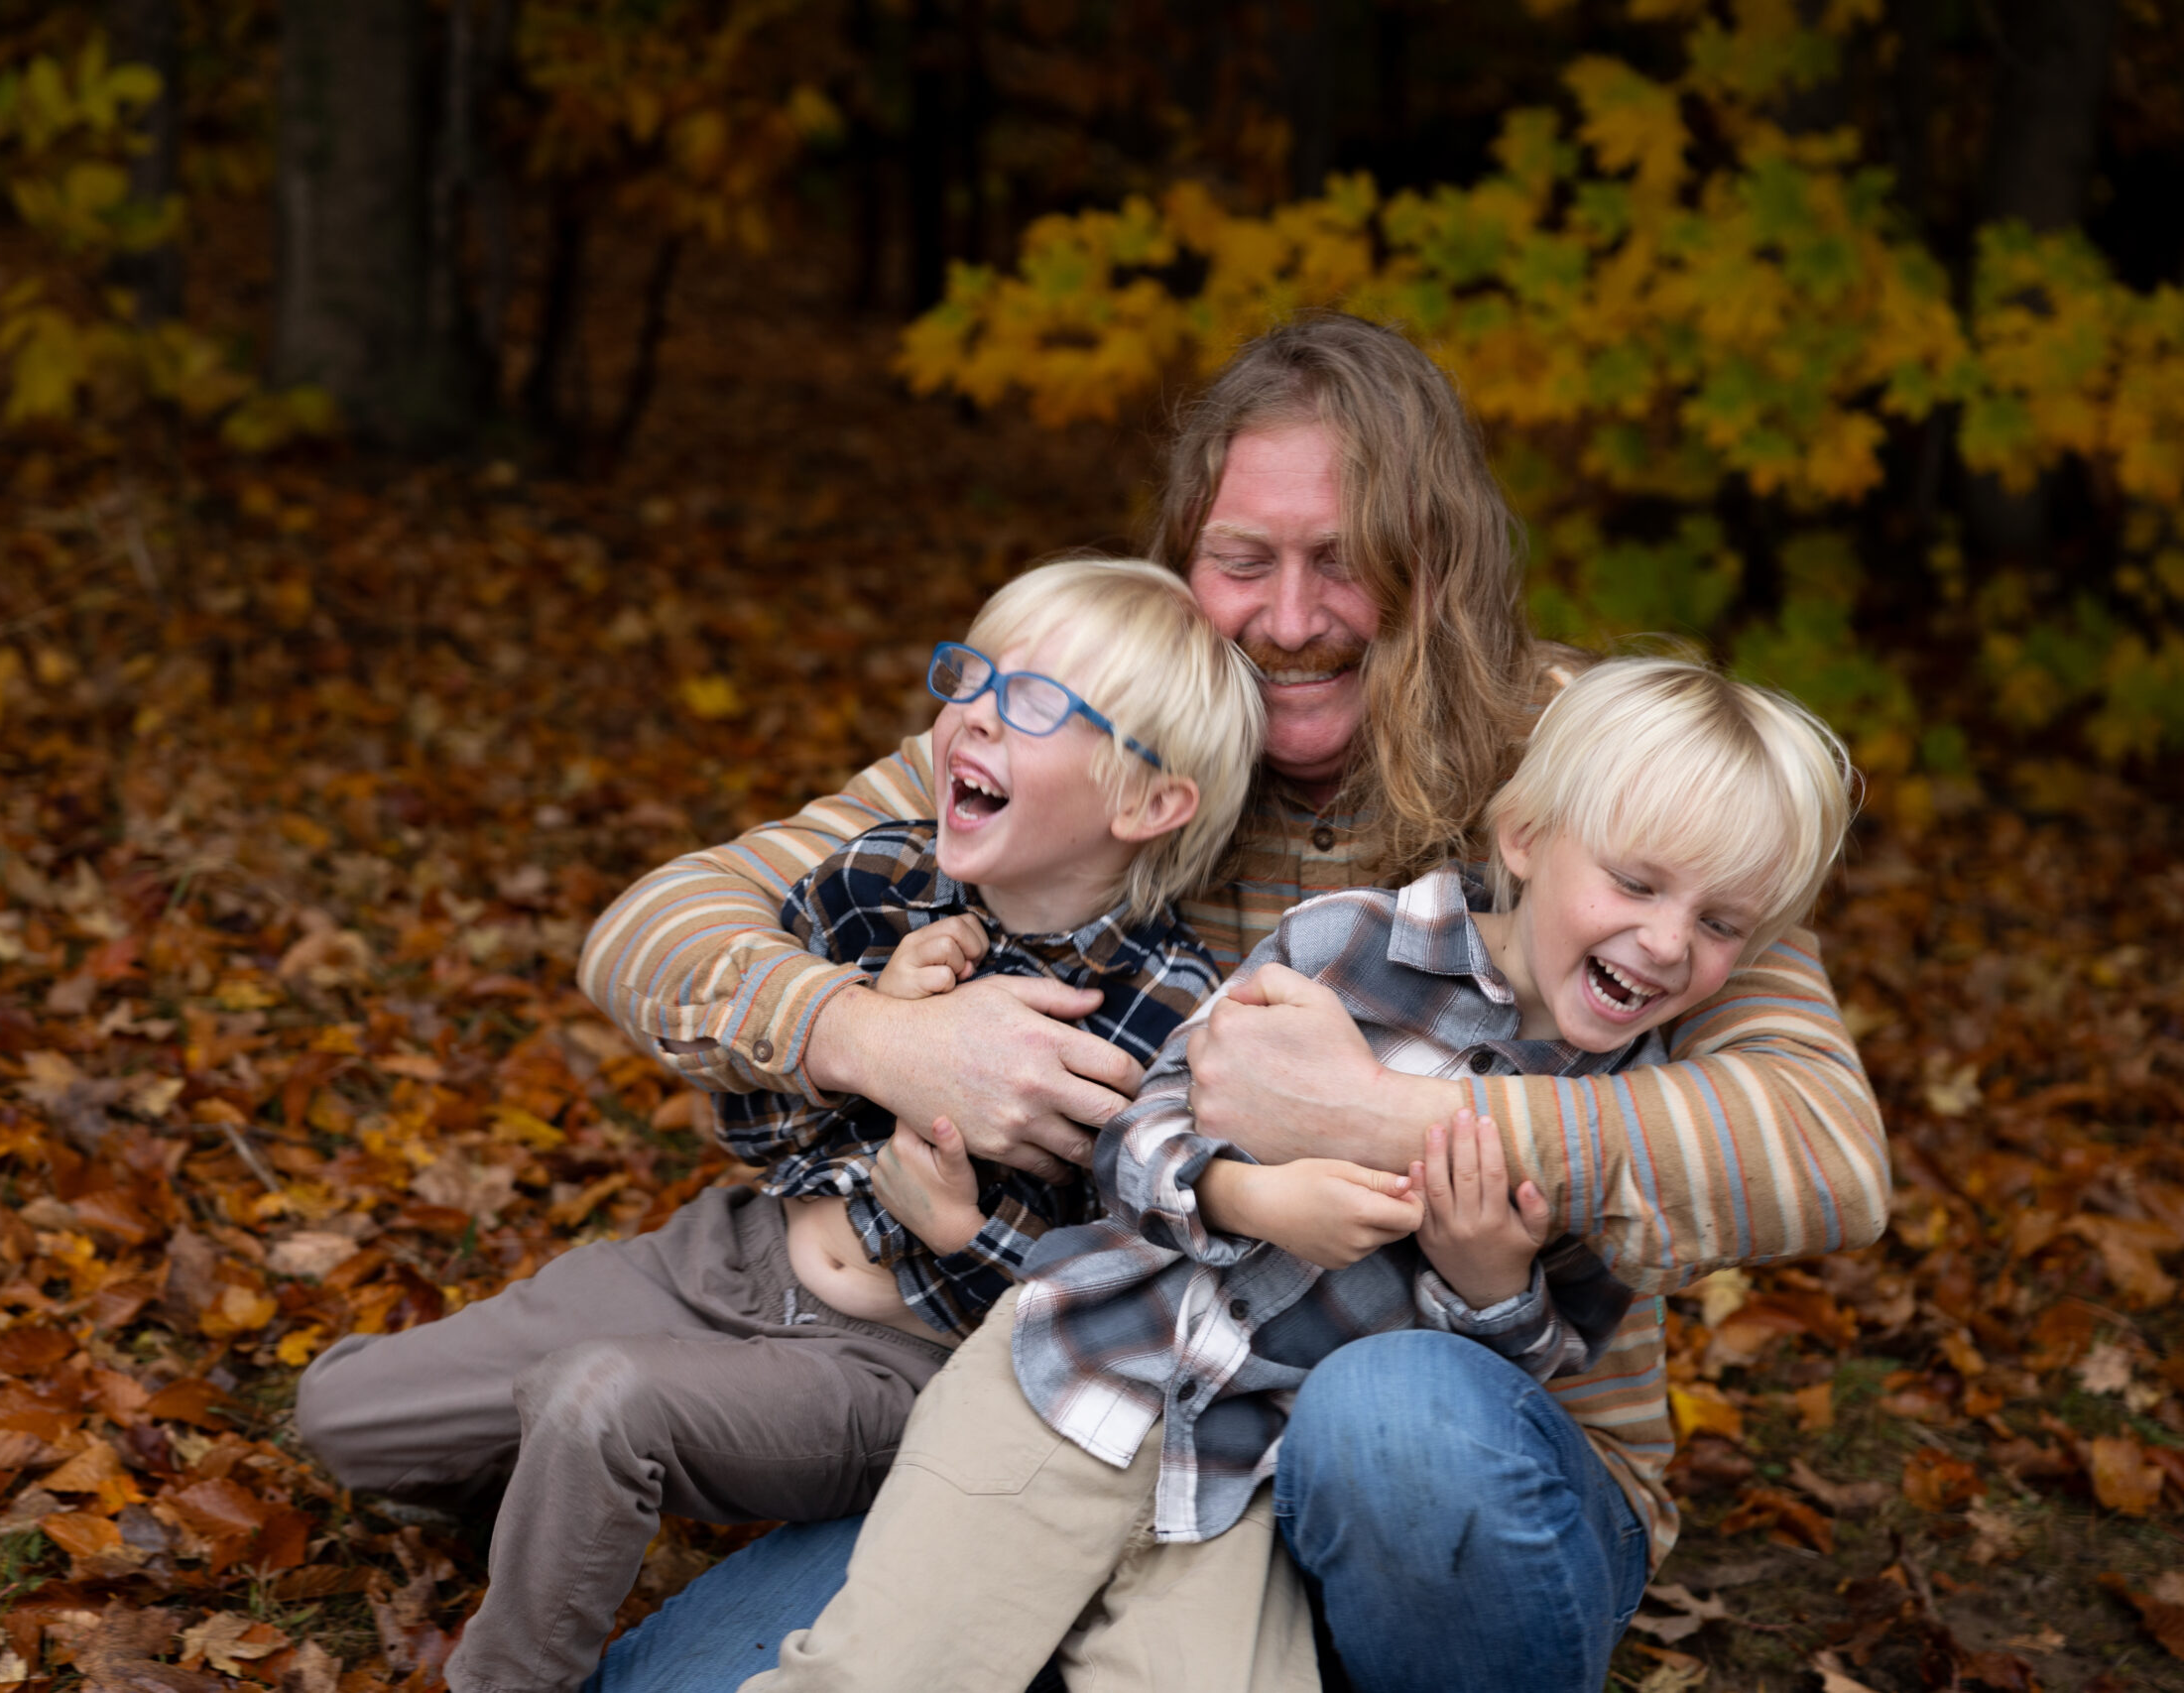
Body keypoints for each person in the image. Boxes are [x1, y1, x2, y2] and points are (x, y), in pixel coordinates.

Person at [572, 313, 1890, 1693]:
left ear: (1439, 559)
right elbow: (658, 925)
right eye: (1241, 561)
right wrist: (887, 1039)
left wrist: (1376, 1116)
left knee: (1389, 1425)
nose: (1292, 617)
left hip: (1444, 1466)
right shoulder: (1101, 727)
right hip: (1106, 1417)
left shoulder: (1597, 764)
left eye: (1350, 564)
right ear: (1181, 561)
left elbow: (1822, 1145)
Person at [731, 657, 1857, 1693]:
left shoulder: (1615, 1120)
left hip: (1250, 1482)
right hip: (1079, 1376)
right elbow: (1138, 1135)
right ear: (1521, 837)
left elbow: (1526, 1373)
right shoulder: (1346, 948)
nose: (1665, 944)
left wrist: (1487, 1286)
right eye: (1635, 884)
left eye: (1718, 924)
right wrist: (1249, 1195)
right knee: (883, 1668)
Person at [293, 558, 1262, 1693]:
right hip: (731, 1261)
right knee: (343, 1417)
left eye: (1036, 705)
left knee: (596, 1400)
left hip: (892, 1368)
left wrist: (963, 1238)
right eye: (975, 677)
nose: (975, 718)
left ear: (1149, 803)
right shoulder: (884, 882)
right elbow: (744, 1121)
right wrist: (869, 1033)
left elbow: (1134, 1295)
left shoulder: (1165, 1021)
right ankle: (559, 1486)